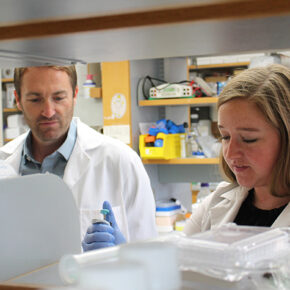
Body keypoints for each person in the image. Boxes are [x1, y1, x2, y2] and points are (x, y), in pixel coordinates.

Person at [0, 65, 157, 250]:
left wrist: (119, 255)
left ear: (75, 95)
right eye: (35, 99)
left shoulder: (120, 161)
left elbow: (149, 260)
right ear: (18, 99)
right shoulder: (4, 162)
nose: (48, 111)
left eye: (59, 98)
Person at [183, 64, 290, 235]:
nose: (230, 153)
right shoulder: (215, 203)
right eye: (225, 136)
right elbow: (178, 256)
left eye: (248, 139)